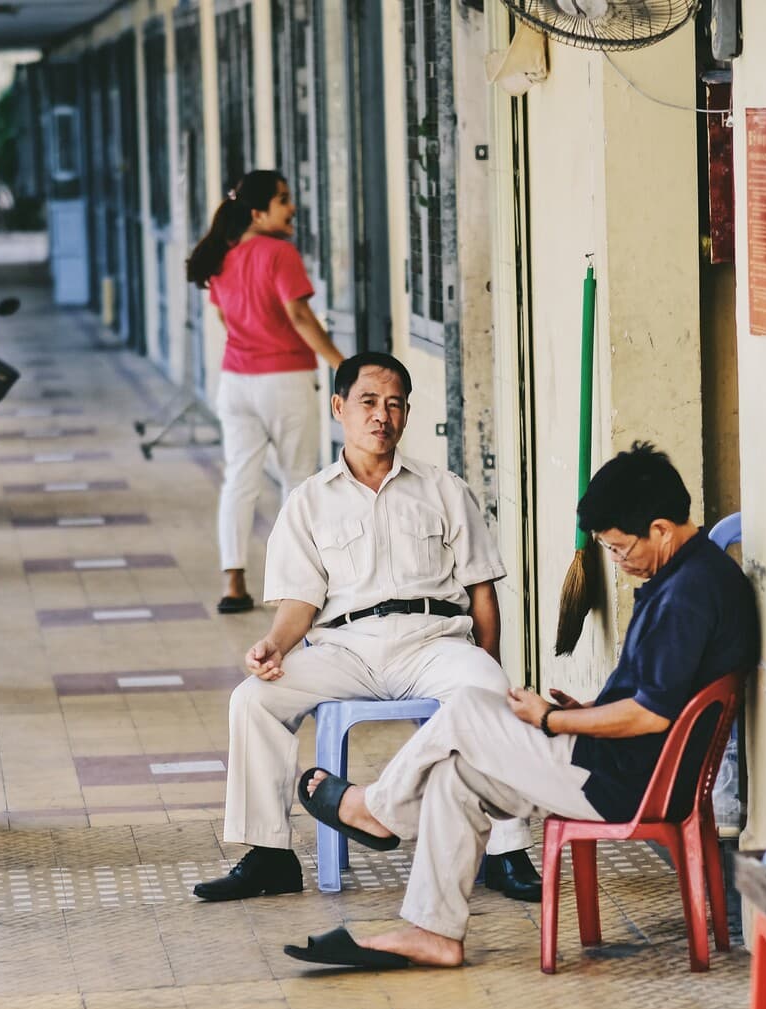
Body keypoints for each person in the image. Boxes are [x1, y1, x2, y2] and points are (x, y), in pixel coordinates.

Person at [284, 442, 758, 970]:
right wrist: (585, 710)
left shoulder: (688, 594)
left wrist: (553, 718)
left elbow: (650, 717)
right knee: (455, 777)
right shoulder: (687, 576)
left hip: (623, 782)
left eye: (621, 549)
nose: (618, 562)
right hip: (617, 762)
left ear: (663, 530)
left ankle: (375, 809)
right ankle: (432, 933)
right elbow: (653, 698)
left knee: (466, 706)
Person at [193, 352, 546, 904]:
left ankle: (506, 853)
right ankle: (268, 855)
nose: (382, 415)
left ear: (406, 415)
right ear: (339, 407)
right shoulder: (307, 502)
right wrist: (273, 645)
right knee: (252, 699)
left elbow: (481, 590)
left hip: (433, 642)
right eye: (368, 402)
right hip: (346, 649)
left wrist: (489, 661)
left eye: (395, 405)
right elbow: (298, 606)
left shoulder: (444, 489)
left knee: (488, 694)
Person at [187, 169, 346, 615]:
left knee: (240, 479)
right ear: (258, 212)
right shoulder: (279, 253)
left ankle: (233, 583)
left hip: (235, 383)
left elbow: (223, 318)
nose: (291, 206)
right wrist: (341, 364)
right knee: (297, 481)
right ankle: (294, 588)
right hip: (284, 380)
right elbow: (298, 315)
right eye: (283, 199)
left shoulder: (221, 256)